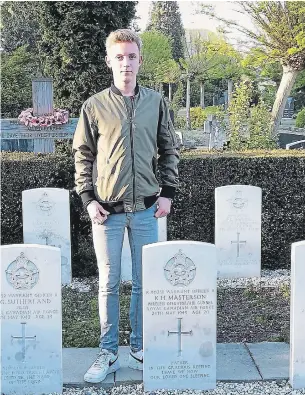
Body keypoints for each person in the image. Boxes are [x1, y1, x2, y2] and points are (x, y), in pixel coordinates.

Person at [72, 28, 179, 383]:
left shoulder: (156, 102)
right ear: (109, 61)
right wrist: (88, 199)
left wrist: (167, 192)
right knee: (109, 281)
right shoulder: (94, 106)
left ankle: (139, 345)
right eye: (119, 57)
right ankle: (107, 351)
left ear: (140, 60)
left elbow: (169, 149)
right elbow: (82, 155)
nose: (126, 63)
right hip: (107, 211)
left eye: (131, 56)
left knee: (145, 282)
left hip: (147, 209)